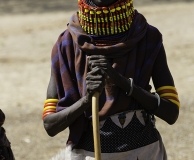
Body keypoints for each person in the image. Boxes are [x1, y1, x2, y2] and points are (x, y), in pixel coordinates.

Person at [43, 0, 180, 159]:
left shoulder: (148, 37)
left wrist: (121, 82)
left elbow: (171, 112)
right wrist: (87, 100)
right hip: (89, 154)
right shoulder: (66, 44)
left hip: (144, 153)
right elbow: (50, 125)